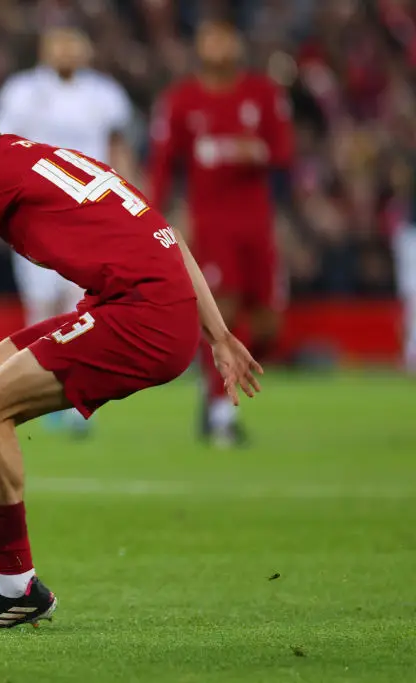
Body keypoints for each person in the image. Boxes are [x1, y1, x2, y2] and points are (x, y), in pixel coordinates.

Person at [0, 77, 261, 628]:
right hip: (131, 305)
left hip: (140, 316)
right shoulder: (43, 157)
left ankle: (16, 586)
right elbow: (168, 235)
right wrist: (217, 335)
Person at [148, 19, 293, 447]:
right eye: (210, 37)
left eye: (225, 36)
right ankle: (219, 412)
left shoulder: (263, 94)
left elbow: (284, 152)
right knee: (222, 314)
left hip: (257, 224)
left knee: (267, 325)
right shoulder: (181, 101)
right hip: (211, 225)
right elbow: (162, 164)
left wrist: (253, 151)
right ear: (200, 46)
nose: (218, 45)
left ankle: (210, 384)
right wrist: (153, 216)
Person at [0, 26, 137, 436]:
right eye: (58, 42)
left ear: (87, 48)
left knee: (86, 308)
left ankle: (76, 402)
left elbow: (118, 149)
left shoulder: (105, 94)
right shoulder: (21, 91)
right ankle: (34, 394)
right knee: (40, 308)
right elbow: (3, 148)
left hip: (90, 213)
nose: (66, 50)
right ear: (43, 48)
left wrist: (130, 201)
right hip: (35, 214)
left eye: (74, 41)